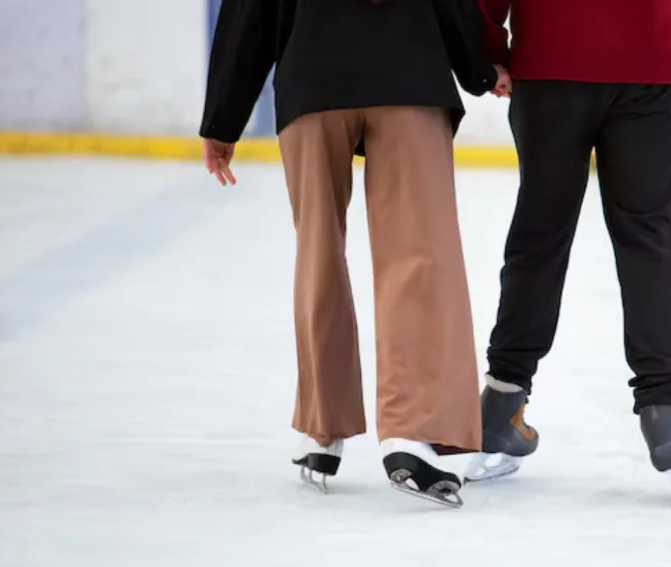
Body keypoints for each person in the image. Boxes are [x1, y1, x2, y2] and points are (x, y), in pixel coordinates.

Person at [199, 0, 512, 508]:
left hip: (314, 76)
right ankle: (411, 432)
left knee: (318, 251)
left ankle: (322, 431)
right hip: (408, 71)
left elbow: (249, 12)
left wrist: (223, 117)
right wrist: (477, 66)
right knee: (420, 253)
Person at [463, 0, 671, 506]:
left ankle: (500, 406)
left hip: (549, 69)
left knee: (538, 237)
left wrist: (490, 49)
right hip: (651, 68)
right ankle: (664, 418)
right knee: (648, 244)